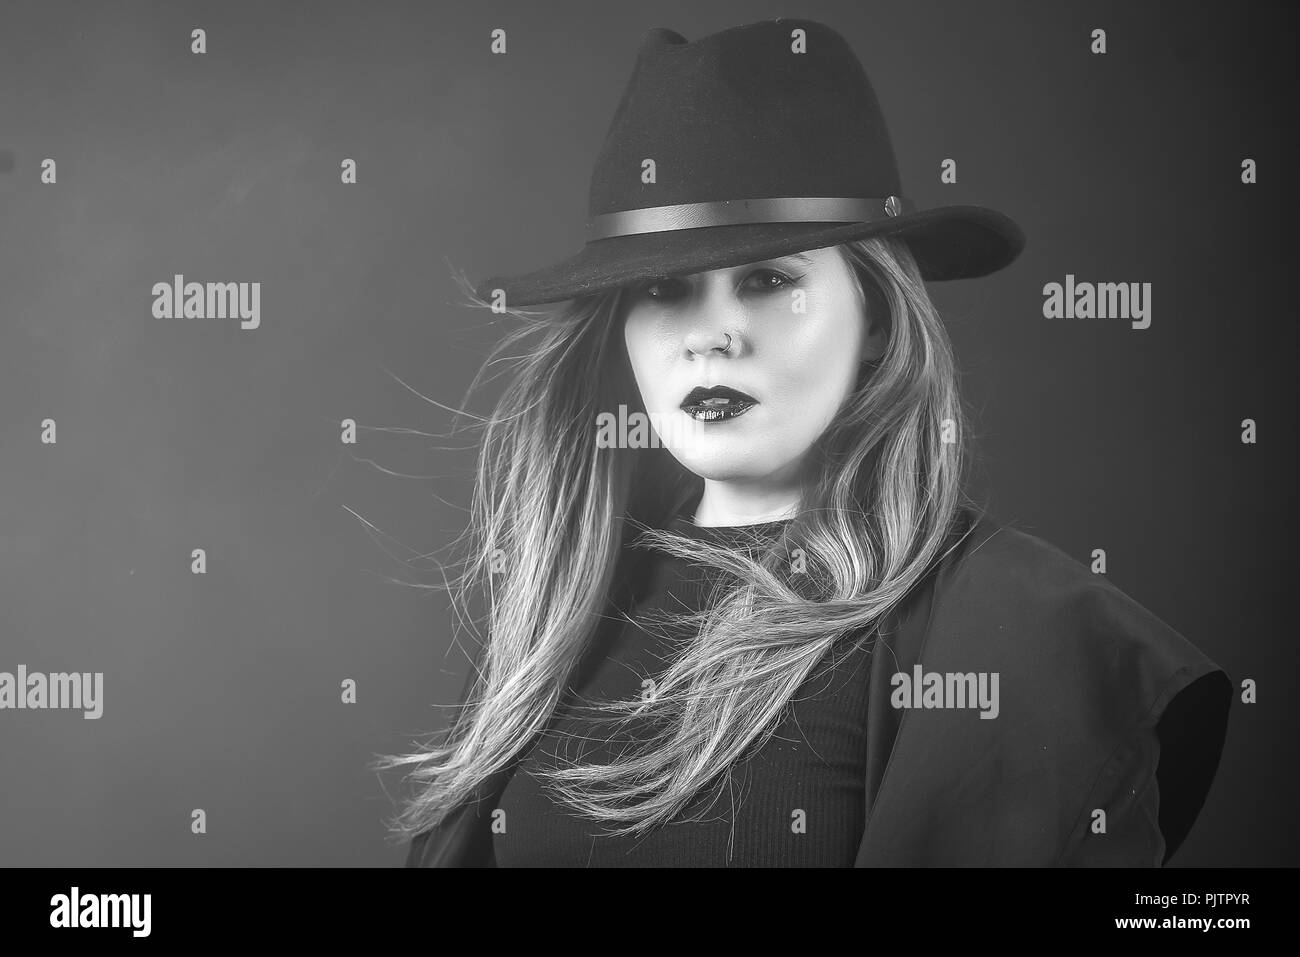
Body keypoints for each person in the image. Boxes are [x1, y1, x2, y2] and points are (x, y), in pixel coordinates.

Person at [378, 17, 1231, 867]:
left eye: (769, 280)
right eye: (665, 286)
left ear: (877, 316)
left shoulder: (1022, 630)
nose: (711, 337)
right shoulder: (557, 602)